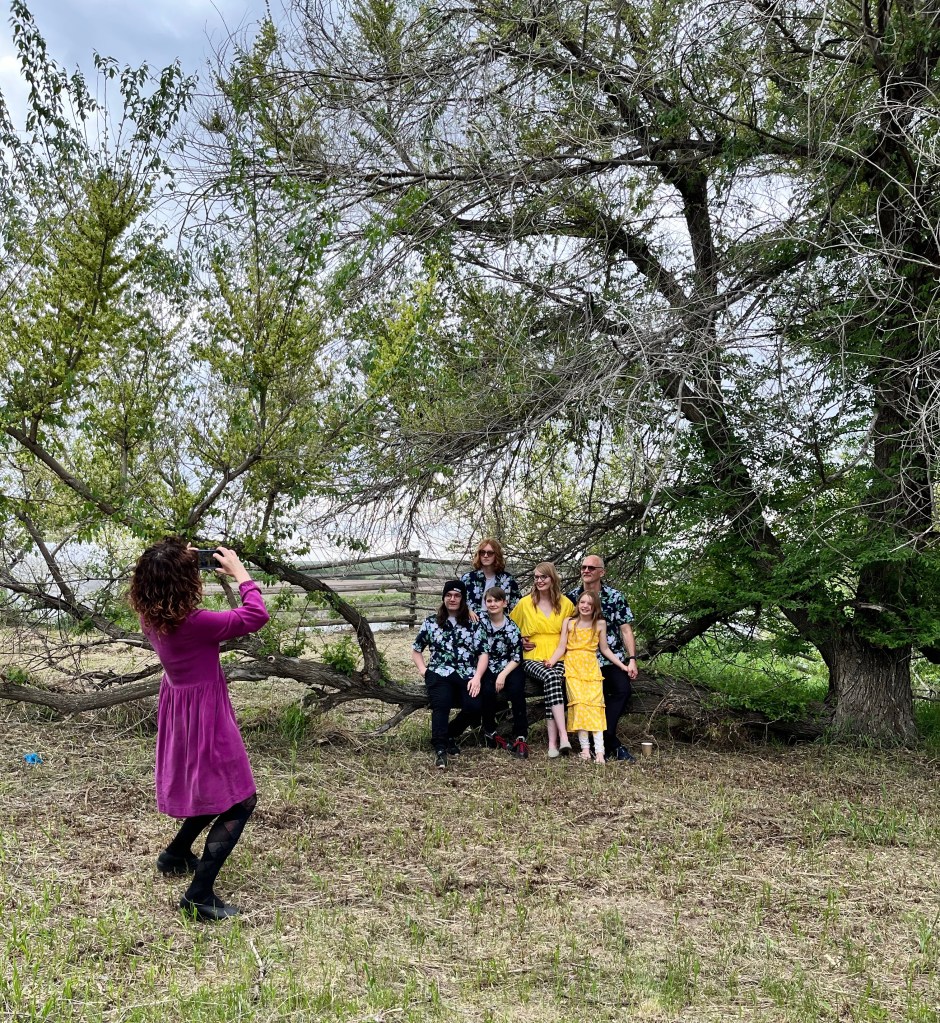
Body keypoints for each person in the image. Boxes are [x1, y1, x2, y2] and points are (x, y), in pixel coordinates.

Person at [129, 537, 270, 922]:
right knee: (240, 800)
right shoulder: (197, 623)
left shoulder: (150, 617)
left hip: (180, 710)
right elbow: (256, 615)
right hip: (207, 715)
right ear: (184, 582)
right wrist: (240, 573)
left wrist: (180, 560)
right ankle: (198, 895)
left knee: (213, 788)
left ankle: (175, 855)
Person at [546, 591, 635, 764]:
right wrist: (551, 661)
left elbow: (605, 649)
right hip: (573, 669)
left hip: (592, 669)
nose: (585, 606)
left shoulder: (600, 624)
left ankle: (600, 752)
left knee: (595, 707)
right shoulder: (569, 622)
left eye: (589, 604)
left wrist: (623, 666)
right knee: (579, 705)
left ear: (595, 607)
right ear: (577, 604)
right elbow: (561, 647)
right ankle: (585, 749)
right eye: (582, 602)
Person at [565, 554, 639, 762]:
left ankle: (606, 737)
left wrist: (632, 659)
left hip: (609, 657)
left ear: (602, 572)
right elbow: (559, 628)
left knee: (622, 690)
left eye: (591, 567)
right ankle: (606, 745)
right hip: (579, 662)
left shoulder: (615, 597)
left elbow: (626, 630)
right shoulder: (571, 598)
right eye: (583, 567)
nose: (586, 570)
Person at [411, 579, 489, 769]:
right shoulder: (431, 622)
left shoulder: (473, 623)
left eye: (457, 596)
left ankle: (449, 734)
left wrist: (477, 677)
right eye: (448, 595)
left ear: (463, 599)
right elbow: (416, 649)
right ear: (443, 598)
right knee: (442, 703)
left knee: (474, 706)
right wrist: (424, 671)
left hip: (466, 672)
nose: (452, 599)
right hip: (439, 671)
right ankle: (440, 747)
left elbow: (483, 654)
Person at [509, 562, 575, 757]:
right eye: (536, 577)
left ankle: (553, 745)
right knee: (552, 678)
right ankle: (563, 736)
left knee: (552, 682)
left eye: (543, 577)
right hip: (533, 656)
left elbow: (576, 631)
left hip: (560, 656)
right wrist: (521, 641)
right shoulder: (525, 603)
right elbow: (509, 629)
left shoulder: (566, 603)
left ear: (552, 578)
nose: (539, 580)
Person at [477, 586, 529, 759]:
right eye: (489, 601)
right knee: (487, 691)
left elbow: (517, 657)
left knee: (516, 690)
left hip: (509, 666)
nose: (493, 604)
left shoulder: (512, 628)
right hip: (488, 665)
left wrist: (503, 675)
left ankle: (520, 735)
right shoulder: (480, 623)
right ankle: (489, 731)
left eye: (497, 600)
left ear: (504, 603)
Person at [461, 538, 522, 615]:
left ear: (496, 555)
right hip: (472, 621)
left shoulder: (508, 579)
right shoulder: (467, 578)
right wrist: (467, 611)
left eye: (490, 553)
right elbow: (458, 603)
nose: (485, 556)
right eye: (482, 552)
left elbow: (516, 608)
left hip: (499, 621)